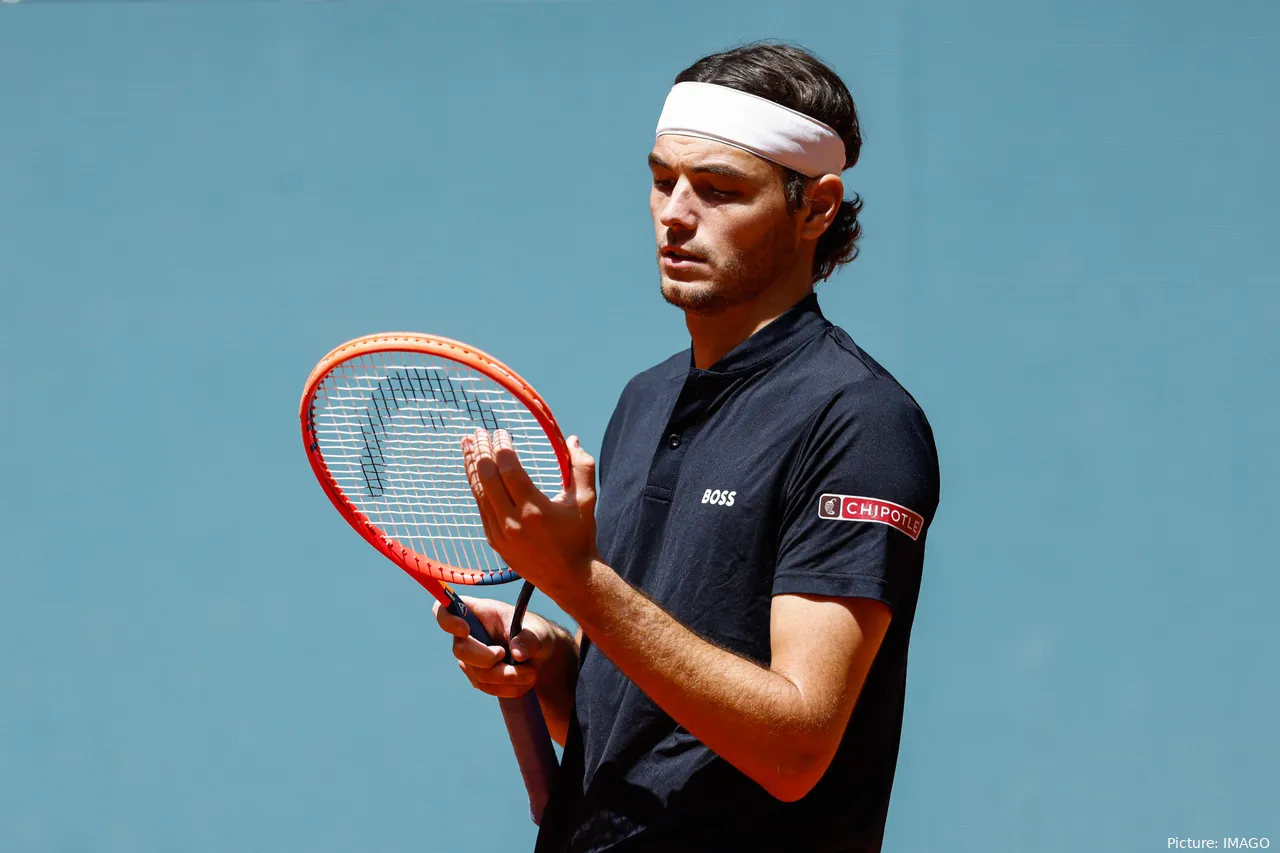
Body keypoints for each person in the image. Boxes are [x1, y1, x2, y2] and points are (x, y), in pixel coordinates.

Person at [434, 41, 941, 853]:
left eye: (717, 189)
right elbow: (660, 725)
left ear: (816, 207)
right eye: (662, 178)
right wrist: (556, 667)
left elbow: (794, 746)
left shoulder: (860, 421)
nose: (673, 213)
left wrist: (581, 583)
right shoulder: (643, 399)